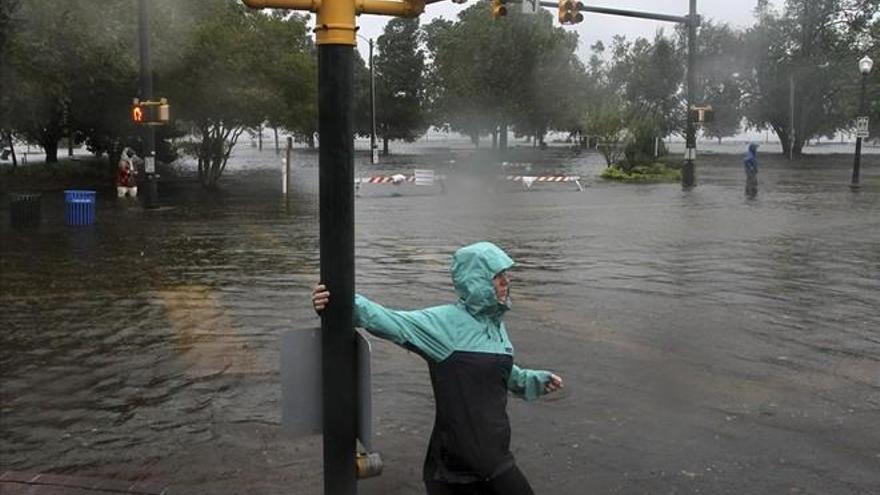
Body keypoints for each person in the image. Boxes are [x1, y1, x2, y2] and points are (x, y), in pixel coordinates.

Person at [312, 241, 563, 495]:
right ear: (476, 281)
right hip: (453, 469)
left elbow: (497, 372)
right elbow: (389, 320)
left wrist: (533, 380)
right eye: (497, 276)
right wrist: (336, 301)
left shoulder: (496, 326)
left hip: (496, 457)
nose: (505, 282)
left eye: (506, 276)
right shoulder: (444, 325)